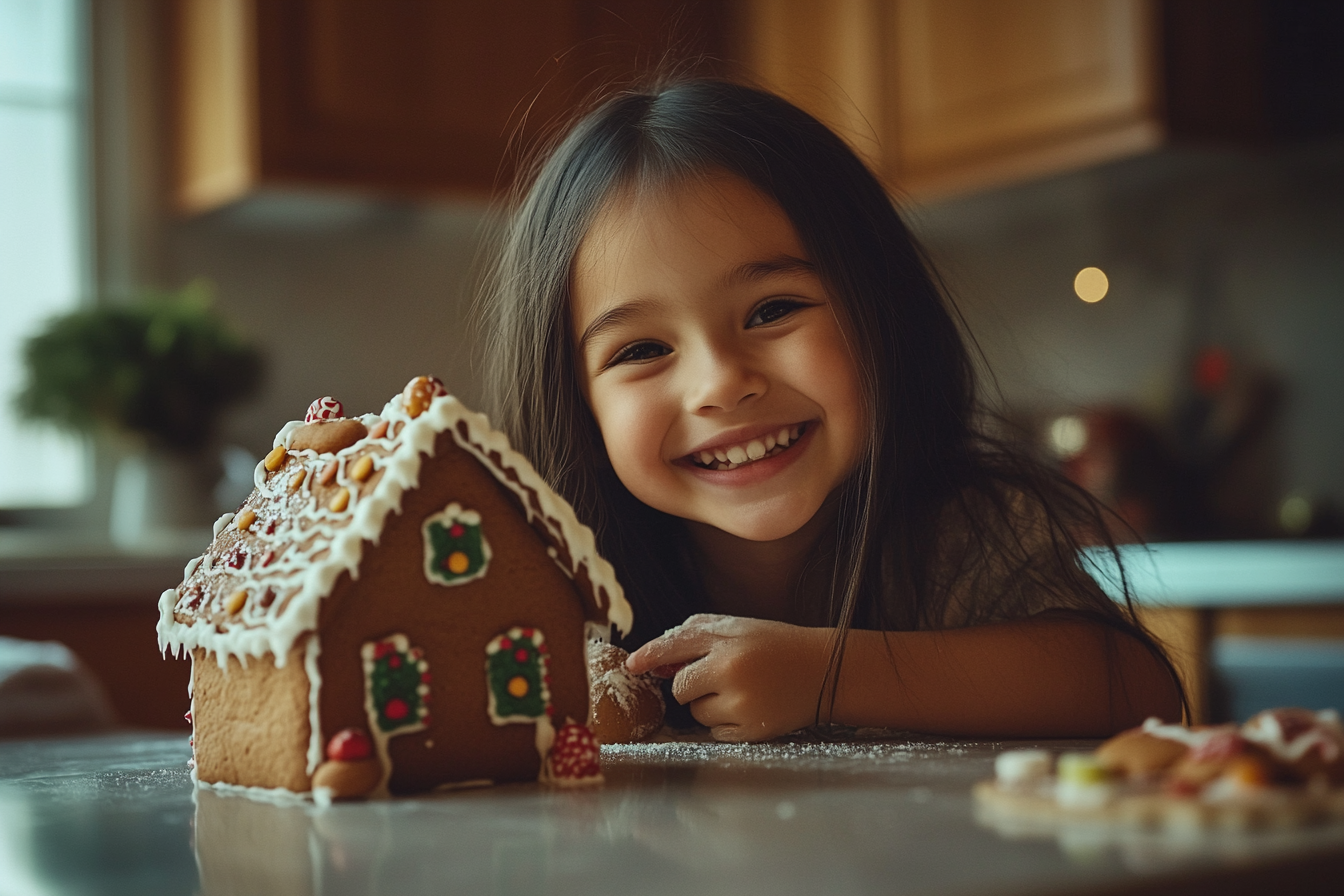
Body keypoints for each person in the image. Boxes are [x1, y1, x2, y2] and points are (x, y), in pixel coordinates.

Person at [480, 78, 1184, 743]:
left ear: (882, 310)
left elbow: (1134, 686)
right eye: (641, 350)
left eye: (773, 309)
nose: (720, 384)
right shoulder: (558, 589)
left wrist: (831, 673)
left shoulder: (965, 533)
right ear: (575, 404)